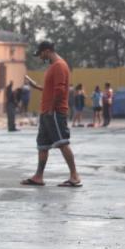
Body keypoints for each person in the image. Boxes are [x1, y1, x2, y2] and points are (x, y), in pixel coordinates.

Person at [21, 41, 82, 188]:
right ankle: (38, 177)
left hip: (54, 112)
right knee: (42, 145)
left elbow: (59, 91)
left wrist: (51, 109)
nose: (41, 57)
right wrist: (36, 86)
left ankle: (74, 176)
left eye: (41, 54)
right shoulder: (53, 67)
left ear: (47, 51)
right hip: (46, 112)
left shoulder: (59, 66)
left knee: (62, 143)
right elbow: (51, 89)